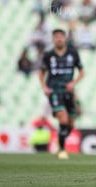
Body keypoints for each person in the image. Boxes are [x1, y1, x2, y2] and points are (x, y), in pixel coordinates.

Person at [38, 29, 84, 159]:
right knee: (62, 117)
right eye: (56, 37)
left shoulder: (73, 53)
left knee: (70, 122)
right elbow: (41, 71)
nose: (59, 39)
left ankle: (59, 143)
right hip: (54, 90)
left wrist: (73, 83)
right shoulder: (48, 55)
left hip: (68, 91)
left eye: (61, 37)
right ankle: (63, 150)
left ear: (65, 38)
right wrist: (44, 87)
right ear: (53, 39)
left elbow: (81, 72)